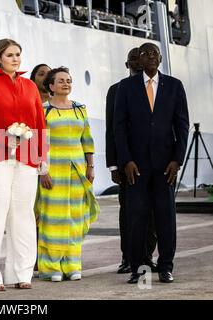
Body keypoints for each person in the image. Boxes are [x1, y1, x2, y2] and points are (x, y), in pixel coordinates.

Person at [0, 38, 47, 291]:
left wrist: (41, 157)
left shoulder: (29, 87)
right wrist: (4, 139)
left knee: (23, 214)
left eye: (18, 54)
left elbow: (39, 123)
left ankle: (21, 273)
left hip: (26, 158)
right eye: (10, 55)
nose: (15, 59)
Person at [114, 42, 189, 284]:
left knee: (166, 217)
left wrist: (177, 160)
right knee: (136, 217)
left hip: (165, 166)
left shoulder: (175, 86)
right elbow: (119, 127)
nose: (151, 57)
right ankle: (137, 267)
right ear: (140, 59)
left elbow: (182, 126)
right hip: (136, 166)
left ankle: (166, 266)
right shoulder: (125, 88)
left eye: (155, 53)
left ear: (160, 59)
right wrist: (125, 160)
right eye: (145, 54)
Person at [37, 67, 99, 282]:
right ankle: (50, 266)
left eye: (69, 80)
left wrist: (90, 166)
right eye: (61, 80)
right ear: (51, 86)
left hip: (77, 171)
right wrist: (42, 170)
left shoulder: (80, 109)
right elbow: (38, 143)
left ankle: (72, 264)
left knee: (75, 217)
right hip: (52, 170)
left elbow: (87, 140)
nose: (66, 83)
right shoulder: (43, 110)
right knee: (53, 219)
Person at [105, 48, 158, 274]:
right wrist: (114, 165)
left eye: (142, 58)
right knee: (129, 211)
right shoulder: (116, 90)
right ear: (127, 65)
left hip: (155, 162)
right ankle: (128, 257)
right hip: (127, 164)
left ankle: (147, 255)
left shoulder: (158, 88)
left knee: (153, 213)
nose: (138, 62)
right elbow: (111, 129)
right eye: (133, 59)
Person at [30, 63, 51, 277]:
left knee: (50, 212)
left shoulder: (58, 104)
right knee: (34, 211)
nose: (45, 77)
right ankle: (35, 256)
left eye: (48, 74)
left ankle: (50, 253)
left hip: (56, 164)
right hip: (34, 163)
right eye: (41, 73)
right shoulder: (30, 100)